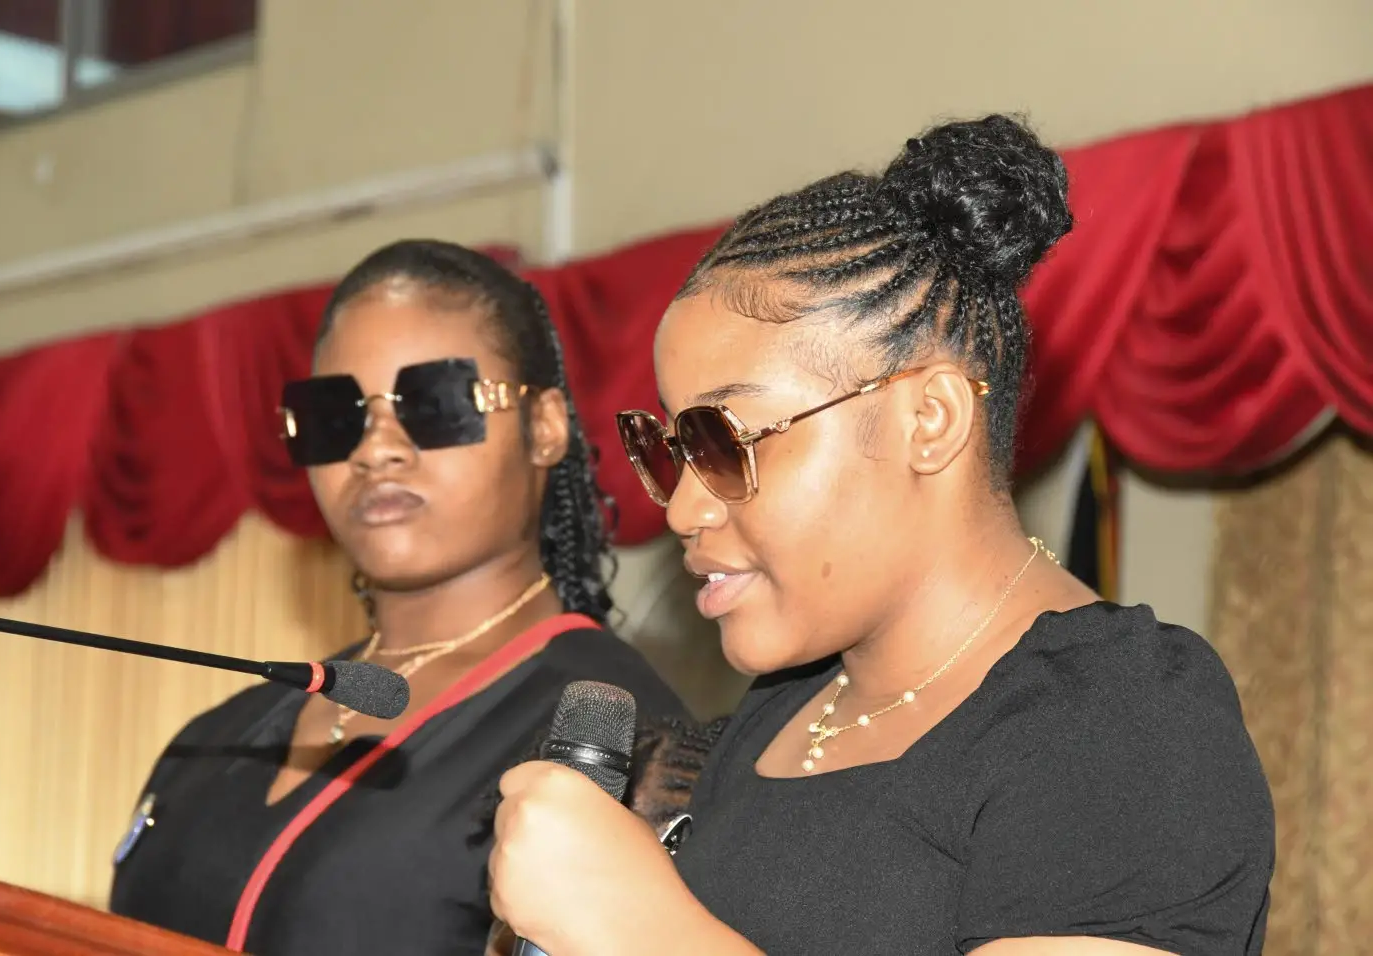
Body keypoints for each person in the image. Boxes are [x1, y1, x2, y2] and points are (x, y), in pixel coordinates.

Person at [487, 116, 1275, 955]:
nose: (683, 509)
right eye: (672, 449)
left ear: (928, 420)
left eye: (724, 441)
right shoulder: (784, 709)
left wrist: (638, 926)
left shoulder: (1124, 722)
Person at [108, 240, 688, 955]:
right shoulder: (213, 737)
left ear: (543, 427)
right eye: (335, 414)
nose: (375, 448)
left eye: (435, 402)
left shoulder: (615, 742)